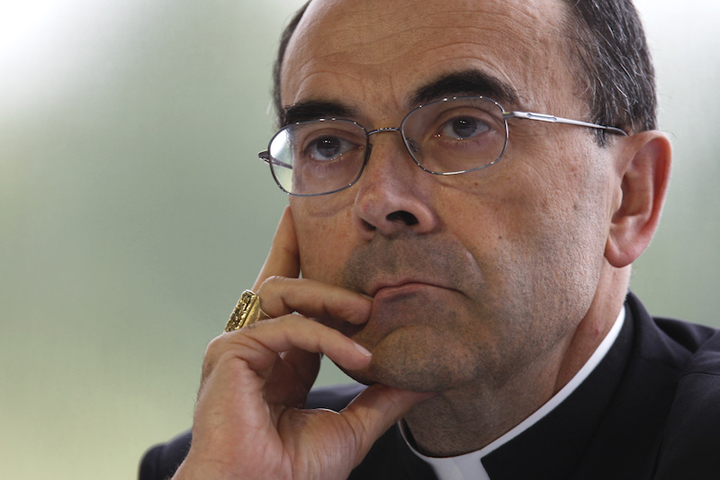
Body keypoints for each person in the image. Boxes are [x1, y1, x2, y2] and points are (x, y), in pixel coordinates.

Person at [139, 0, 720, 478]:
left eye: (464, 125)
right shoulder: (228, 461)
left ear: (629, 196)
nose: (380, 201)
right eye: (329, 145)